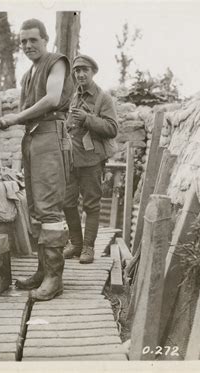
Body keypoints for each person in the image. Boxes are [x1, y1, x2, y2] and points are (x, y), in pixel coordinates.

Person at [0, 18, 73, 301]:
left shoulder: (56, 62)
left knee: (49, 206)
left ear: (45, 39)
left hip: (50, 134)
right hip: (34, 137)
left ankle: (54, 277)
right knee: (37, 206)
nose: (27, 46)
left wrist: (15, 118)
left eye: (33, 40)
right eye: (23, 41)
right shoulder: (29, 73)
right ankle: (42, 270)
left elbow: (51, 99)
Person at [63, 54, 118, 263]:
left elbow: (112, 128)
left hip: (91, 160)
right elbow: (70, 124)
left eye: (84, 70)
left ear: (93, 72)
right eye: (77, 71)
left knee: (91, 205)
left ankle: (88, 248)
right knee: (67, 203)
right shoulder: (75, 96)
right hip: (71, 160)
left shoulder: (103, 97)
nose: (80, 74)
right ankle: (75, 244)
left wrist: (87, 119)